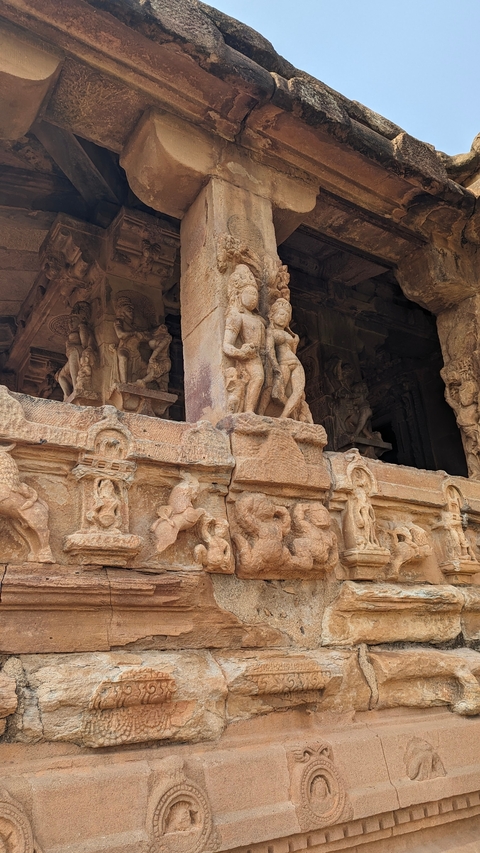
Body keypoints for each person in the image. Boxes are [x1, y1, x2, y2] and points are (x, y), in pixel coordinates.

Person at [223, 265, 266, 414]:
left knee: (267, 384)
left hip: (262, 355)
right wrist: (241, 352)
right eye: (249, 293)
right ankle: (249, 411)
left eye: (256, 294)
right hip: (248, 356)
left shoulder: (259, 320)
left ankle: (257, 411)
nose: (254, 297)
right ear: (239, 294)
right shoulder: (236, 315)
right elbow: (226, 345)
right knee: (259, 377)